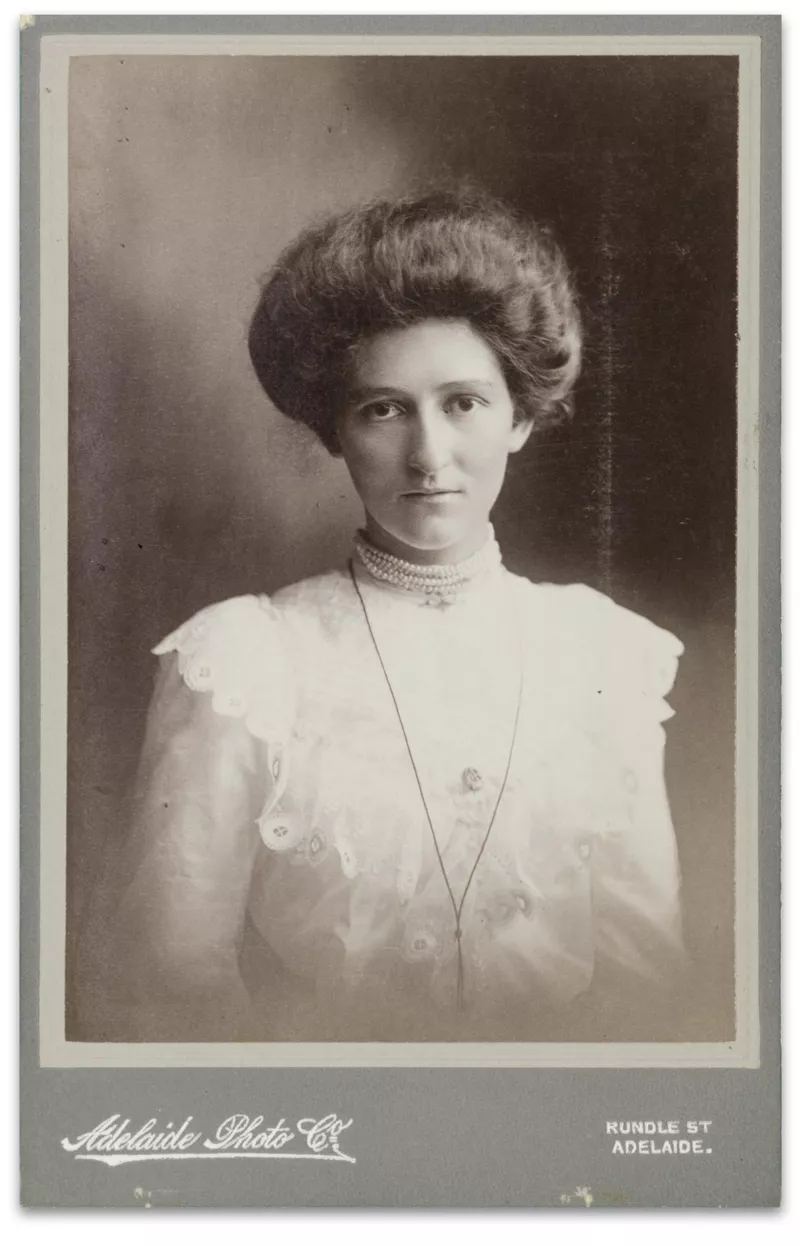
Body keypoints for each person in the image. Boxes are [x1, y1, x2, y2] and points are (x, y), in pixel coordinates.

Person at [77, 189, 687, 1043]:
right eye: (384, 408)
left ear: (519, 417)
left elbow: (651, 991)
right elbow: (167, 983)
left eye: (463, 403)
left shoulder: (601, 655)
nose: (429, 456)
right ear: (336, 432)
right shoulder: (248, 661)